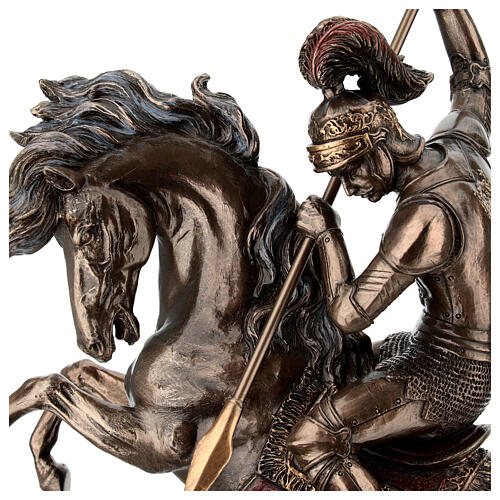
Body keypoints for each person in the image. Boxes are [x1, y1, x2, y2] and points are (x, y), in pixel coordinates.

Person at [286, 10, 491, 490]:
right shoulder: (460, 145)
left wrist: (327, 234)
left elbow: (347, 315)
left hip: (454, 374)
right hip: (425, 347)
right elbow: (474, 75)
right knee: (343, 367)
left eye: (352, 169)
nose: (350, 186)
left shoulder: (424, 216)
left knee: (311, 437)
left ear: (382, 144)